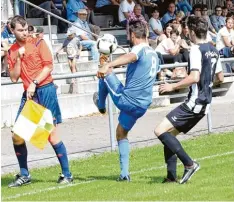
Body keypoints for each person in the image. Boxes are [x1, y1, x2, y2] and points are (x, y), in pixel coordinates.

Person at [154, 16, 224, 184]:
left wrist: (173, 86)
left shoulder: (195, 49)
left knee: (160, 130)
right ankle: (171, 177)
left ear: (192, 32)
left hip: (195, 101)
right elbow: (220, 77)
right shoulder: (213, 49)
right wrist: (205, 83)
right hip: (205, 103)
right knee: (169, 135)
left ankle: (189, 164)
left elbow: (194, 77)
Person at [7, 15, 73, 187]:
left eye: (25, 28)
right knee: (17, 136)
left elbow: (48, 66)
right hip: (30, 95)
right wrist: (19, 59)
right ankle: (24, 174)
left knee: (51, 136)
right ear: (12, 30)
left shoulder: (38, 42)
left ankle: (67, 174)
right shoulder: (12, 50)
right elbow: (14, 78)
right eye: (19, 30)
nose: (24, 33)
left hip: (45, 91)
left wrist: (34, 83)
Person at [93, 20, 160, 181]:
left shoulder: (139, 49)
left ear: (132, 34)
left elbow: (131, 56)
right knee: (121, 133)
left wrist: (108, 64)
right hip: (143, 105)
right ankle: (124, 175)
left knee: (105, 72)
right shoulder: (154, 53)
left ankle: (100, 105)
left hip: (127, 100)